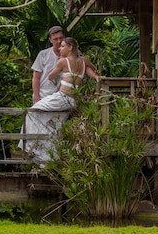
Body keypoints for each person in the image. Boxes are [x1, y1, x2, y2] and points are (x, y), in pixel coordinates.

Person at [19, 37, 99, 165]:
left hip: (62, 97)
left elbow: (51, 76)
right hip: (73, 100)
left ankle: (30, 149)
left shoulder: (63, 61)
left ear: (70, 47)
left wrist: (53, 75)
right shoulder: (83, 61)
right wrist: (96, 76)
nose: (60, 49)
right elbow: (92, 69)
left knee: (31, 111)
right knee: (53, 123)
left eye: (62, 46)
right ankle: (48, 159)